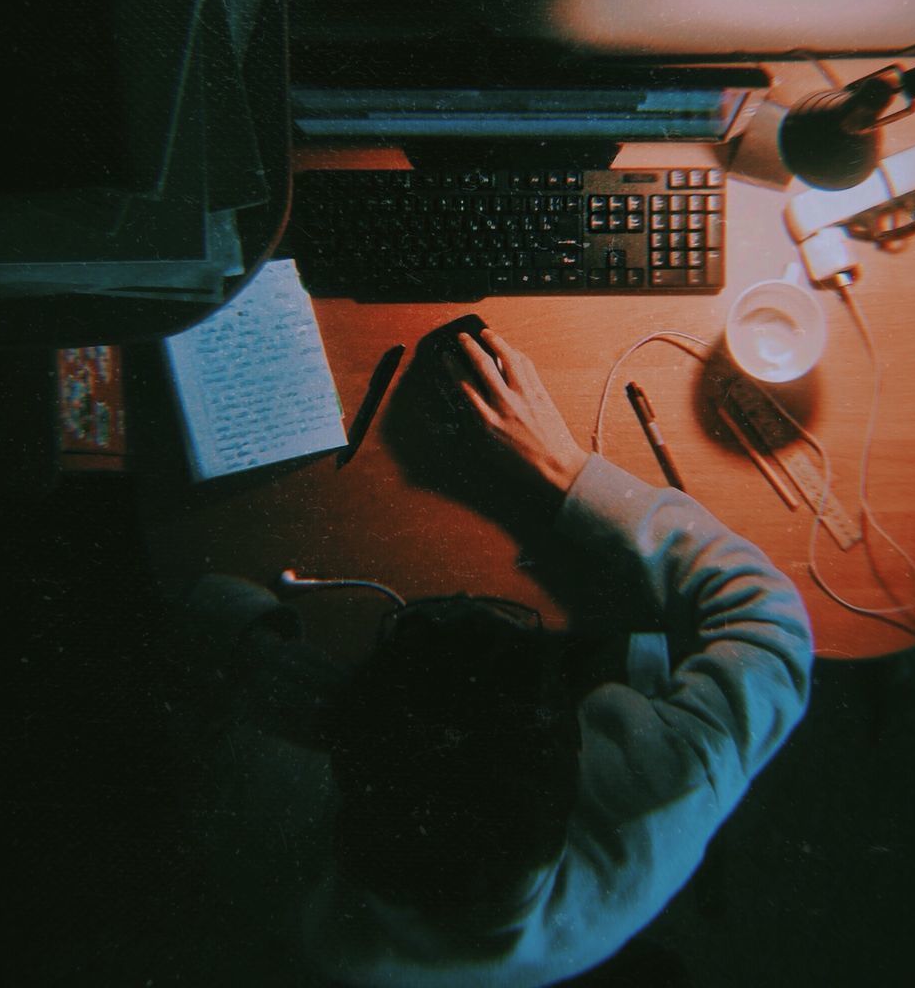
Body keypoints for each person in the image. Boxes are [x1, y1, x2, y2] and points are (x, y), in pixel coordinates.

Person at [180, 327, 813, 988]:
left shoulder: (266, 842)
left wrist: (262, 646)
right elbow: (774, 622)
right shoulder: (665, 789)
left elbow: (198, 600)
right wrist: (565, 469)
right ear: (572, 746)